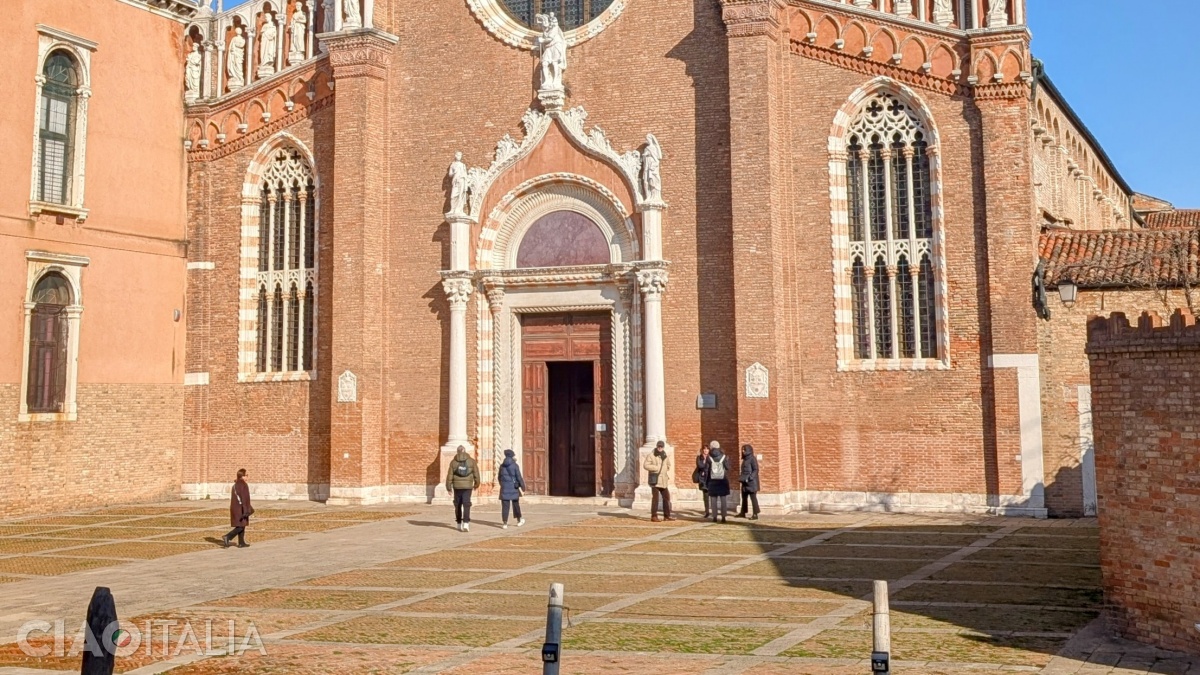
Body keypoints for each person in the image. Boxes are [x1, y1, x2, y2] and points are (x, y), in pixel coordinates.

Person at [445, 445, 480, 532]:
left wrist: (449, 488)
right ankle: (466, 523)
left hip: (457, 486)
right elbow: (476, 474)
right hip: (468, 486)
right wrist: (476, 484)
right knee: (466, 504)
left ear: (457, 451)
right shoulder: (472, 461)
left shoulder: (453, 462)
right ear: (465, 451)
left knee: (457, 504)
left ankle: (458, 523)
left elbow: (449, 476)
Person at [643, 440, 674, 522]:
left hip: (663, 480)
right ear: (657, 446)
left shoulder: (665, 455)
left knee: (666, 497)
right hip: (655, 480)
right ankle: (654, 516)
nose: (660, 448)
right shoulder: (651, 455)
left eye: (661, 446)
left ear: (663, 447)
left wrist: (666, 468)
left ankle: (667, 516)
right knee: (655, 499)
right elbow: (645, 465)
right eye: (659, 446)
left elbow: (668, 464)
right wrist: (656, 468)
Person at [223, 469, 253, 548]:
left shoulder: (236, 484)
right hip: (241, 508)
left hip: (236, 508)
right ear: (242, 476)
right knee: (240, 526)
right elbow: (244, 498)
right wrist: (246, 510)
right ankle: (228, 536)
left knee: (242, 525)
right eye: (246, 475)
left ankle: (241, 542)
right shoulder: (243, 485)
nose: (247, 477)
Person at [497, 448, 526, 529]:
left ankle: (505, 523)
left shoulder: (502, 466)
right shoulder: (515, 465)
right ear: (512, 456)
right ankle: (519, 520)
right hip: (513, 488)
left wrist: (502, 485)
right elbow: (519, 477)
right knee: (516, 504)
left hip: (504, 488)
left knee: (505, 506)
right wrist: (523, 487)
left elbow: (499, 477)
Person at [705, 441, 731, 523]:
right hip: (722, 480)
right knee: (723, 499)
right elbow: (728, 467)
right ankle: (723, 517)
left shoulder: (709, 457)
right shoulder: (724, 456)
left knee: (713, 499)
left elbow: (707, 470)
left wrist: (706, 482)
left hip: (712, 481)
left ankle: (714, 517)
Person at [737, 444, 761, 520]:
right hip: (744, 481)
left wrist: (750, 478)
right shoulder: (745, 459)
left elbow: (755, 470)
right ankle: (743, 512)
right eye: (742, 450)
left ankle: (755, 514)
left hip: (751, 482)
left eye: (744, 450)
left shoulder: (752, 459)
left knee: (753, 498)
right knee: (744, 497)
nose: (743, 451)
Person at [693, 444, 711, 518]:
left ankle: (713, 510)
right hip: (703, 479)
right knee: (705, 495)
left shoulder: (711, 457)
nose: (705, 450)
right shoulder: (699, 457)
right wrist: (706, 465)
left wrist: (705, 465)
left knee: (712, 495)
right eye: (704, 449)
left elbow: (711, 467)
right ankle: (707, 511)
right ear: (702, 450)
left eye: (707, 449)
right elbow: (699, 465)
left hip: (710, 478)